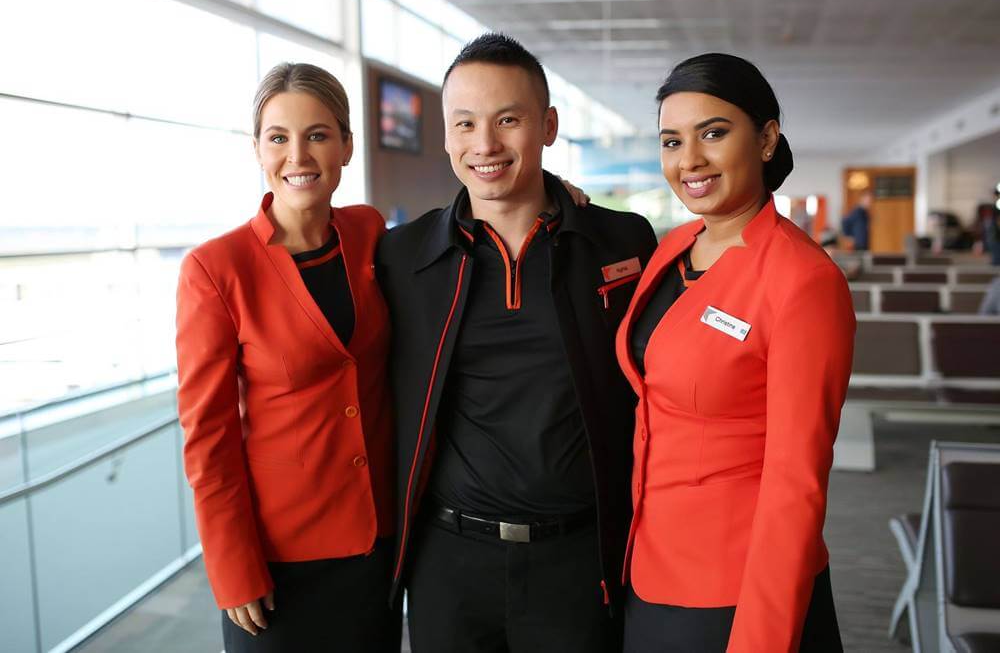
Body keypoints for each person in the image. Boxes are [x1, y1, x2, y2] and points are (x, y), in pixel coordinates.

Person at [376, 33, 658, 653]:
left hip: (580, 559)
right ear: (446, 136)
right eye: (466, 124)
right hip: (449, 562)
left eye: (509, 120)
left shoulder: (621, 244)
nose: (485, 144)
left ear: (548, 126)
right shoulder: (402, 256)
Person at [616, 53, 855, 652]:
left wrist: (763, 636)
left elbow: (797, 480)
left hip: (737, 587)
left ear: (768, 138)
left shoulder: (802, 280)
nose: (689, 160)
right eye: (672, 141)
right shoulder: (674, 246)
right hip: (649, 565)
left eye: (714, 134)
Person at [174, 63, 400, 652]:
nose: (298, 154)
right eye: (278, 137)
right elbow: (208, 438)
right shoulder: (215, 270)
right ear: (257, 149)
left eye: (318, 135)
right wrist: (232, 569)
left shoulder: (369, 232)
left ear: (347, 146)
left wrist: (554, 199)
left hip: (376, 547)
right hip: (277, 565)